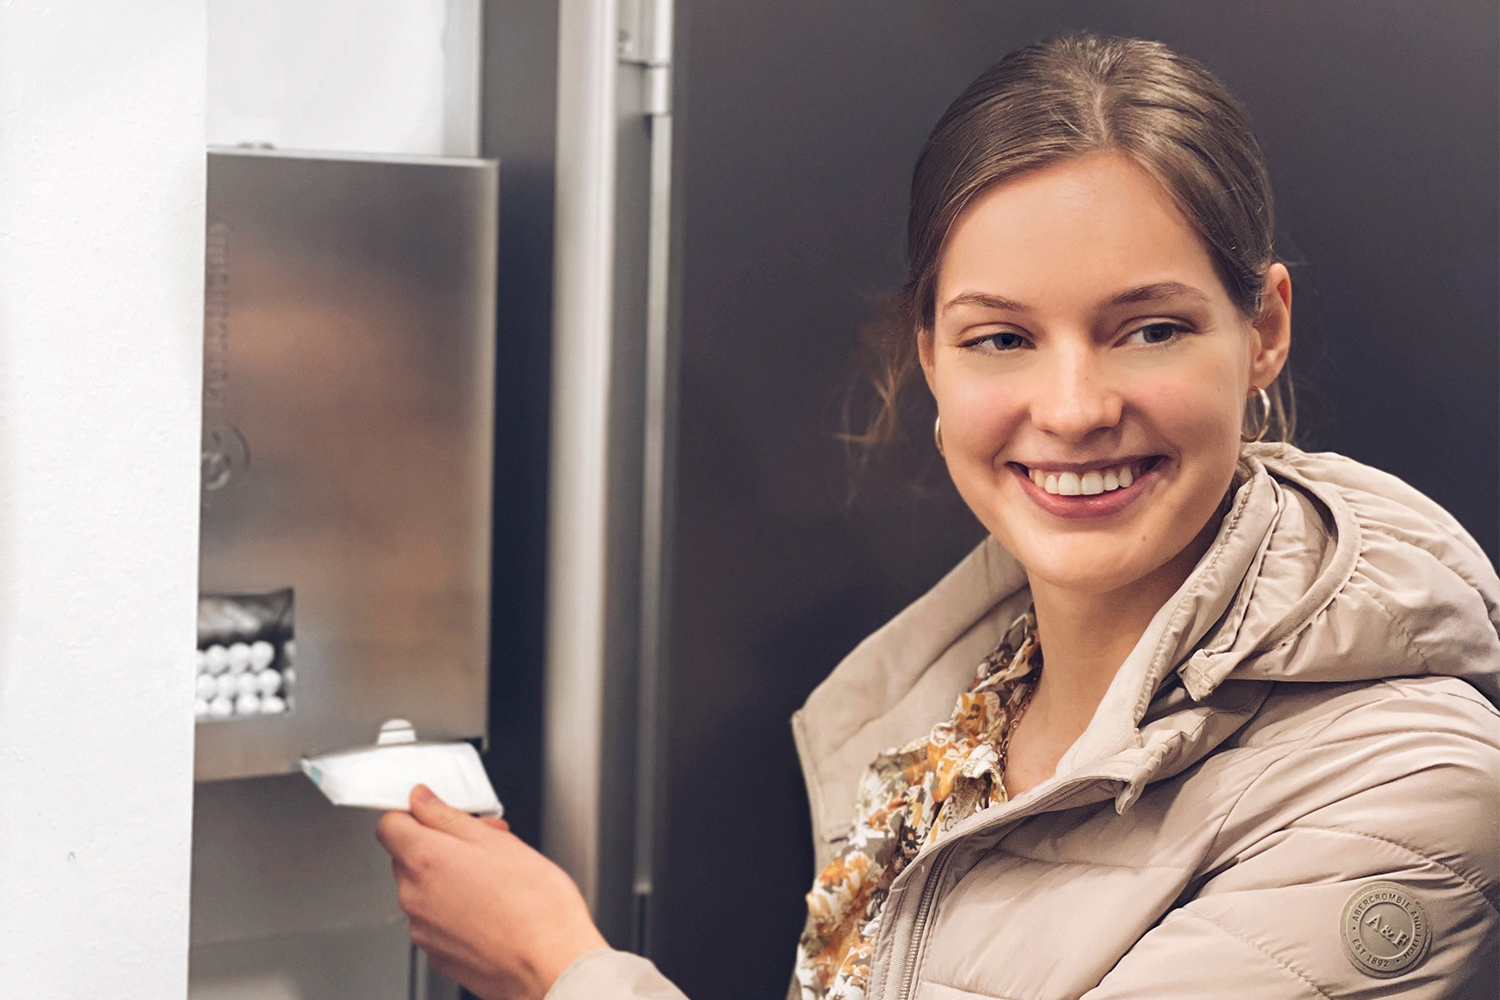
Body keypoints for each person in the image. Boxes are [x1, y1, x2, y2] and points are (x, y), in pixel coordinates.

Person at [375, 33, 1500, 1000]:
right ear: (930, 354)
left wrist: (558, 964)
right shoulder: (933, 729)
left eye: (1149, 328)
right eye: (1000, 338)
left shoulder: (1408, 781)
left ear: (1263, 330)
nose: (1071, 409)